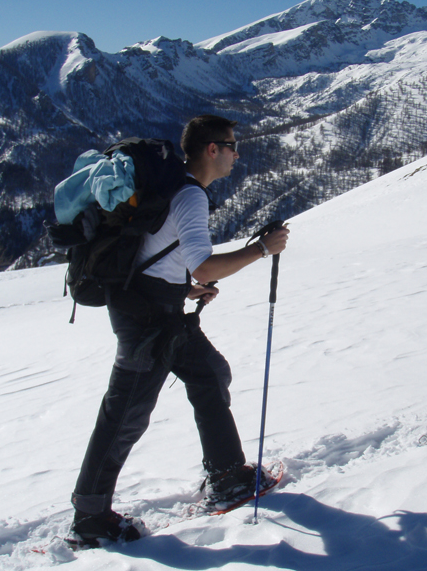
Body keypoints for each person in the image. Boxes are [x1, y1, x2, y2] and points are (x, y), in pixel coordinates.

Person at [69, 115, 290, 544]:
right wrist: (262, 249)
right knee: (124, 416)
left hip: (158, 308)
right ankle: (89, 520)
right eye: (231, 146)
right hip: (148, 322)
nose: (236, 154)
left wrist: (182, 287)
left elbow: (153, 249)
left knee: (210, 373)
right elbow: (204, 263)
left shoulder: (173, 186)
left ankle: (228, 475)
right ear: (212, 149)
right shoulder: (189, 196)